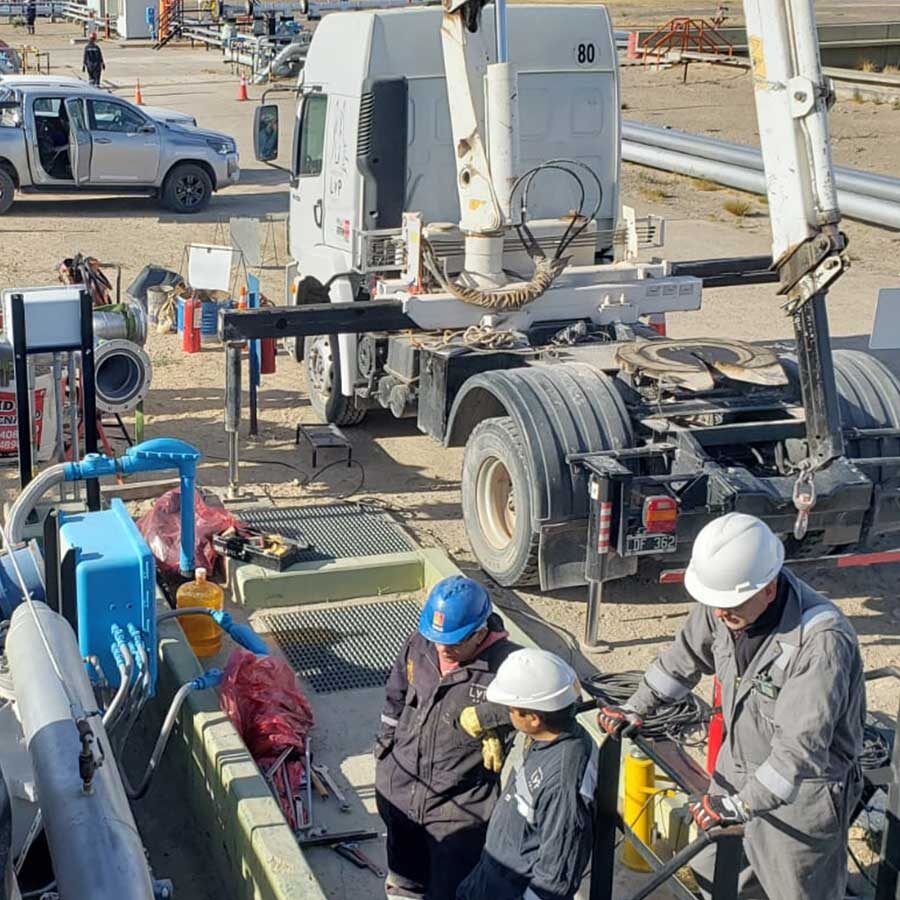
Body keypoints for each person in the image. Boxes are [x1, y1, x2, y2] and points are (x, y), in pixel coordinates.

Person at [597, 512, 865, 900]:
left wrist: (742, 804)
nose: (720, 614)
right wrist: (636, 707)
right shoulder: (725, 604)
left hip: (802, 791)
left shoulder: (819, 642)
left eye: (730, 604)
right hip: (736, 768)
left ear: (770, 589)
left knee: (796, 889)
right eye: (714, 603)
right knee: (713, 869)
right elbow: (681, 661)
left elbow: (798, 751)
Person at [375, 575, 520, 900]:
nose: (441, 648)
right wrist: (385, 750)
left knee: (451, 891)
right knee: (403, 882)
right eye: (436, 638)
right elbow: (395, 696)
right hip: (401, 790)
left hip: (459, 811)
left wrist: (491, 716)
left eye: (453, 643)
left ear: (480, 632)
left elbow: (563, 696)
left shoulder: (509, 665)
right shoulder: (420, 644)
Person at [457, 648, 596, 900]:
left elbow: (556, 875)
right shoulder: (545, 737)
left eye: (511, 709)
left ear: (533, 718)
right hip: (491, 876)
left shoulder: (562, 781)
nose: (507, 713)